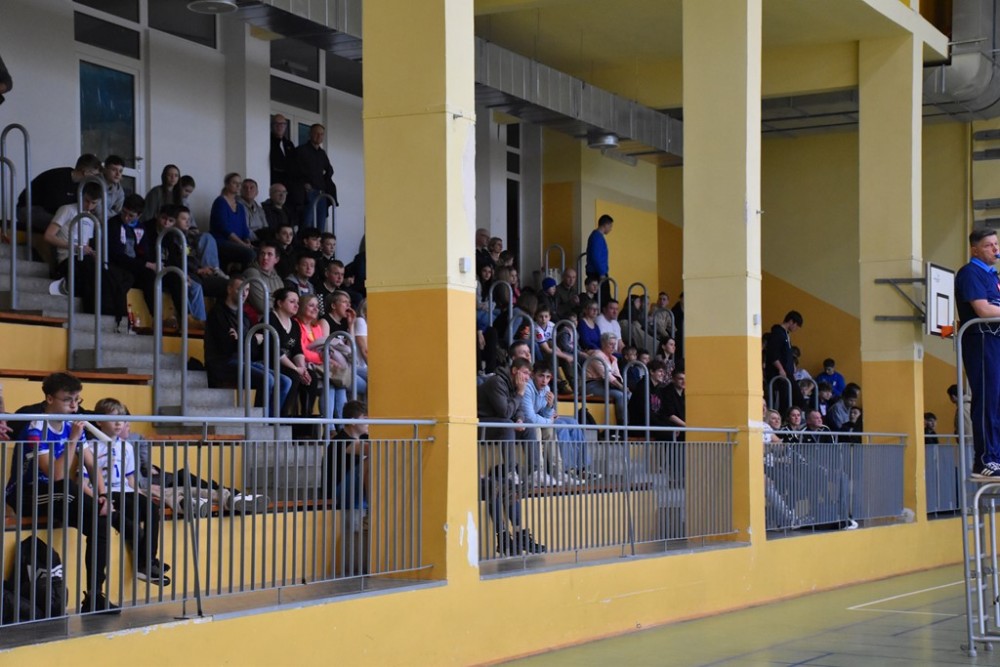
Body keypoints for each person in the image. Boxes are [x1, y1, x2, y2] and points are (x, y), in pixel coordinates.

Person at [4, 373, 118, 613]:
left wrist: (103, 495)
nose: (74, 406)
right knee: (68, 488)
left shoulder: (70, 425)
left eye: (77, 400)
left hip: (58, 494)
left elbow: (91, 464)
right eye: (68, 400)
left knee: (100, 522)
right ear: (49, 399)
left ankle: (94, 596)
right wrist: (72, 440)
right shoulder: (36, 428)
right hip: (27, 494)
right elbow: (56, 475)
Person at [86, 398, 170, 586]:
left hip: (125, 490)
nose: (118, 424)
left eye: (122, 419)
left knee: (151, 509)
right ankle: (145, 563)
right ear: (99, 421)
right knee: (132, 518)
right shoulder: (90, 447)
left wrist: (142, 496)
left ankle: (148, 561)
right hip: (107, 492)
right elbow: (83, 480)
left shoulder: (127, 447)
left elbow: (130, 479)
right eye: (112, 419)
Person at [204, 277, 291, 418]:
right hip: (222, 362)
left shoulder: (245, 317)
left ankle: (270, 421)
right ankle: (259, 422)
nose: (244, 293)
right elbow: (226, 347)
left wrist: (242, 340)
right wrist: (251, 340)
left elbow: (252, 349)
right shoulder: (217, 313)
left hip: (244, 360)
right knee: (267, 379)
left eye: (247, 290)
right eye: (240, 289)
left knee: (285, 381)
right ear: (229, 289)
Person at [955, 228, 1000, 480]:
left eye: (996, 244)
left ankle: (997, 455)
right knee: (986, 399)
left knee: (997, 401)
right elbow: (983, 310)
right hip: (982, 341)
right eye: (988, 245)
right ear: (974, 250)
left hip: (996, 341)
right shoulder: (970, 273)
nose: (995, 249)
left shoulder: (993, 276)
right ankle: (984, 459)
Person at [325, 400, 370, 576]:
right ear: (352, 421)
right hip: (339, 492)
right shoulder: (341, 440)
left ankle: (375, 505)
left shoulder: (363, 438)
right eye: (365, 419)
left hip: (355, 493)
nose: (369, 423)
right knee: (371, 460)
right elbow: (370, 449)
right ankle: (372, 511)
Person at [17, 153, 102, 235]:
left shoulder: (80, 184)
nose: (95, 178)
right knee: (64, 225)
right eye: (95, 175)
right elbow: (54, 206)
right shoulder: (58, 179)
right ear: (85, 172)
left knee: (84, 224)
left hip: (44, 209)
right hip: (27, 209)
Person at [269, 288, 312, 416]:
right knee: (293, 376)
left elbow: (297, 349)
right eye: (292, 302)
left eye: (297, 302)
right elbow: (273, 350)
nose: (296, 305)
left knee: (311, 377)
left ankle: (305, 418)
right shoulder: (270, 319)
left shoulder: (294, 324)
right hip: (270, 362)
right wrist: (296, 369)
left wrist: (303, 369)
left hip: (287, 363)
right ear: (280, 303)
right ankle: (282, 416)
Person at [293, 123, 338, 229]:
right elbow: (294, 171)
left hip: (322, 193)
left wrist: (323, 179)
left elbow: (330, 170)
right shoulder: (301, 151)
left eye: (321, 134)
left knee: (320, 226)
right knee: (307, 225)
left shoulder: (322, 153)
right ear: (310, 134)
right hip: (308, 193)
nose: (319, 136)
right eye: (316, 133)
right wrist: (304, 183)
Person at [209, 172, 255, 271]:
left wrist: (247, 241)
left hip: (238, 242)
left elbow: (244, 228)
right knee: (249, 253)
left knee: (260, 251)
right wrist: (242, 244)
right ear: (227, 184)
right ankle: (240, 277)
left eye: (240, 183)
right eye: (234, 183)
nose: (238, 186)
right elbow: (224, 229)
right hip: (222, 241)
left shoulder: (240, 206)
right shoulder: (220, 202)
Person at [764, 310, 803, 414]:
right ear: (791, 321)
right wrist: (780, 369)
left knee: (796, 398)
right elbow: (773, 354)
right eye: (796, 325)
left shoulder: (786, 335)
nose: (796, 329)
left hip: (788, 373)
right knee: (785, 400)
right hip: (780, 374)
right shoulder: (777, 333)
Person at [585, 332, 628, 425]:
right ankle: (623, 424)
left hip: (607, 385)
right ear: (603, 344)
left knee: (629, 394)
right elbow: (606, 376)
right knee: (620, 395)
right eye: (610, 344)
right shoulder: (597, 355)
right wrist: (621, 387)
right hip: (592, 385)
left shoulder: (613, 358)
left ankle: (632, 422)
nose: (613, 347)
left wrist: (623, 386)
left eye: (614, 344)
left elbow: (618, 375)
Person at [240, 241, 286, 321]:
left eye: (269, 254)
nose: (265, 257)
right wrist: (280, 306)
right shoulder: (252, 273)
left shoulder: (278, 279)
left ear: (276, 259)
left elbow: (285, 302)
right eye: (262, 254)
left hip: (275, 319)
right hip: (257, 322)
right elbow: (262, 306)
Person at [585, 214, 614, 303]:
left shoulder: (597, 237)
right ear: (606, 225)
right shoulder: (596, 237)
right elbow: (596, 257)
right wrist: (601, 273)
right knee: (603, 299)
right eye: (610, 226)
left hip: (598, 271)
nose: (611, 229)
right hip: (597, 273)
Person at [269, 114, 296, 188]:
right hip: (275, 183)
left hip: (290, 184)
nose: (279, 126)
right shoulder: (267, 142)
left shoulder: (289, 144)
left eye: (282, 124)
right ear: (272, 126)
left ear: (286, 126)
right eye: (276, 124)